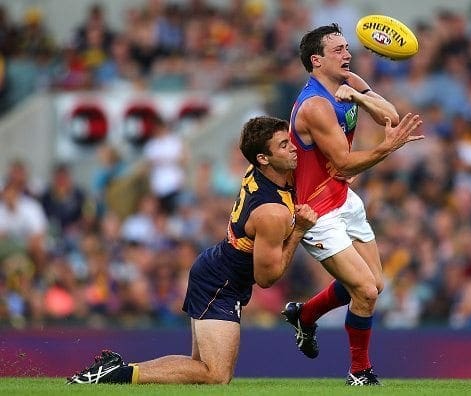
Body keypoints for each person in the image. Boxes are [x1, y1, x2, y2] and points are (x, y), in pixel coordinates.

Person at [67, 116, 317, 385]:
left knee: (201, 369)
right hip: (220, 283)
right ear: (263, 159)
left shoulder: (261, 171)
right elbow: (267, 279)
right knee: (216, 375)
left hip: (218, 270)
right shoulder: (271, 213)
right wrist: (299, 230)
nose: (293, 148)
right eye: (283, 145)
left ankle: (116, 370)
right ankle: (116, 373)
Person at [281, 23, 423, 386]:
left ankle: (305, 315)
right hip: (317, 211)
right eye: (339, 50)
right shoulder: (314, 106)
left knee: (376, 284)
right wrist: (387, 148)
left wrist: (359, 97)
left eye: (347, 48)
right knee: (365, 291)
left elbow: (389, 114)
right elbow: (343, 162)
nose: (348, 54)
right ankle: (359, 371)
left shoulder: (349, 81)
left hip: (344, 198)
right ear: (316, 60)